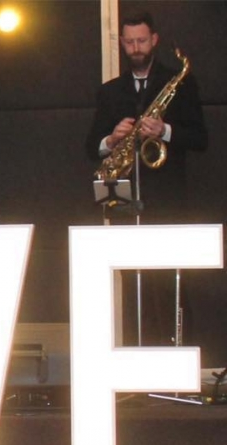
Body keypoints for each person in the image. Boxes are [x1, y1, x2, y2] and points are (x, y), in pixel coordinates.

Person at [85, 11, 207, 345]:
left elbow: (200, 139)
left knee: (170, 285)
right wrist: (112, 139)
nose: (136, 48)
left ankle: (176, 352)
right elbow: (91, 147)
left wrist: (164, 130)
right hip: (126, 203)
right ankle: (136, 355)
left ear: (154, 40)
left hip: (169, 202)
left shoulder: (180, 83)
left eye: (141, 41)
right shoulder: (110, 92)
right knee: (133, 288)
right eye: (129, 42)